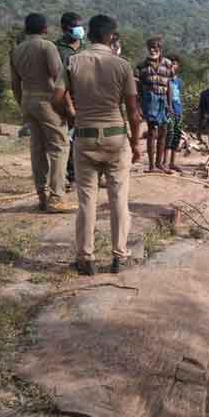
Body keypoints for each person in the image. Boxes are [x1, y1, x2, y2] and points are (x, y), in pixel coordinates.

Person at [51, 14, 141, 276]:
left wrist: (72, 117)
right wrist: (136, 144)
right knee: (118, 200)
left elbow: (56, 98)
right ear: (111, 36)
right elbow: (133, 113)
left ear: (89, 35)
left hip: (85, 136)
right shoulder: (122, 65)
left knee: (86, 201)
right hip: (115, 137)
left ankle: (85, 259)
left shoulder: (73, 61)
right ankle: (119, 257)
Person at [10, 12, 73, 213]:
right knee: (59, 147)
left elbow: (14, 84)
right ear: (44, 29)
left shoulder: (16, 50)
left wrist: (23, 104)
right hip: (47, 101)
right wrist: (69, 107)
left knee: (37, 148)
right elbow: (59, 79)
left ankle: (42, 196)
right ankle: (56, 198)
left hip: (28, 101)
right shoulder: (47, 47)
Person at [136, 36, 174, 173]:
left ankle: (160, 163)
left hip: (163, 98)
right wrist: (140, 105)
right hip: (150, 100)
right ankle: (151, 165)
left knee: (163, 131)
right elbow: (139, 89)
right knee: (152, 132)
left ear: (160, 49)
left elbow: (169, 85)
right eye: (150, 47)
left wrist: (169, 105)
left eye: (155, 47)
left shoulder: (168, 64)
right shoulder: (142, 66)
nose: (153, 50)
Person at [55, 12, 84, 188]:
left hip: (85, 98)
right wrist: (69, 106)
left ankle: (85, 174)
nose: (80, 30)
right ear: (65, 28)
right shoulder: (56, 48)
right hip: (64, 98)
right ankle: (71, 175)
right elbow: (58, 80)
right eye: (76, 26)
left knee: (85, 138)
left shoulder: (85, 47)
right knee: (67, 140)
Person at [163, 54, 184, 172]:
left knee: (177, 135)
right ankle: (164, 162)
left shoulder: (179, 81)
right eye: (171, 63)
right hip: (167, 111)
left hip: (178, 110)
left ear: (178, 66)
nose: (172, 65)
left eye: (175, 63)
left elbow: (179, 96)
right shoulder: (164, 79)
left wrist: (181, 110)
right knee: (169, 135)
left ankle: (172, 162)